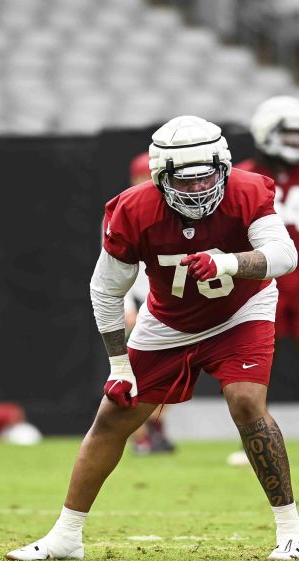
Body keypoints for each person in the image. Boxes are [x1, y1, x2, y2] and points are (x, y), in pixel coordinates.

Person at [8, 115, 299, 561]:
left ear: (223, 169)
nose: (196, 190)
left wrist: (228, 263)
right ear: (160, 177)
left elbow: (283, 256)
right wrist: (118, 365)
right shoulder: (133, 209)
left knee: (247, 401)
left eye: (205, 178)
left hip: (241, 310)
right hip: (168, 321)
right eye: (183, 182)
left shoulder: (249, 190)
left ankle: (292, 527)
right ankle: (66, 535)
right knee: (113, 416)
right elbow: (105, 290)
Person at [229, 95, 299, 465]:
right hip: (261, 273)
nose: (298, 143)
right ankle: (255, 432)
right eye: (289, 134)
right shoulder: (242, 175)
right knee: (255, 356)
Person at [123, 151, 176, 456]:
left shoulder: (172, 206)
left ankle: (155, 428)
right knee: (134, 373)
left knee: (170, 375)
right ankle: (140, 435)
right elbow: (115, 269)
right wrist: (127, 305)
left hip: (164, 299)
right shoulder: (123, 210)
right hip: (137, 299)